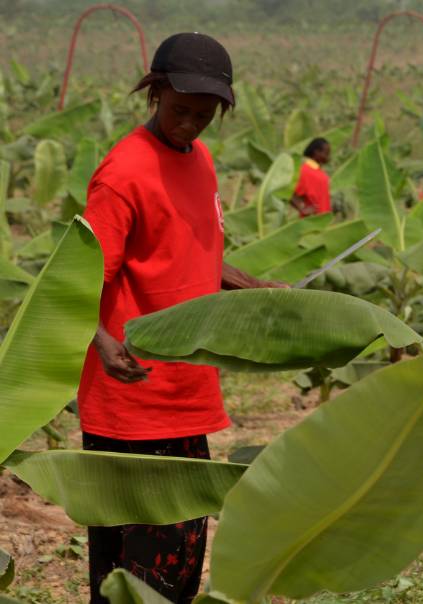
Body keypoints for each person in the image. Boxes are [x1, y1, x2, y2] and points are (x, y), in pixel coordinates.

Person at [79, 32, 283, 604]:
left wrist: (256, 287)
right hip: (132, 400)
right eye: (179, 111)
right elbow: (76, 281)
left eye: (203, 116)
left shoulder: (201, 161)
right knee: (133, 577)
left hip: (186, 391)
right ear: (155, 93)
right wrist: (101, 341)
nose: (190, 126)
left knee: (179, 569)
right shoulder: (123, 174)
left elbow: (193, 252)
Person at [291, 137, 331, 216]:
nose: (328, 157)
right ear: (316, 152)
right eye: (326, 153)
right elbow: (290, 193)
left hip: (323, 220)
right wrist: (302, 208)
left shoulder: (319, 171)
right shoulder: (305, 170)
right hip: (311, 220)